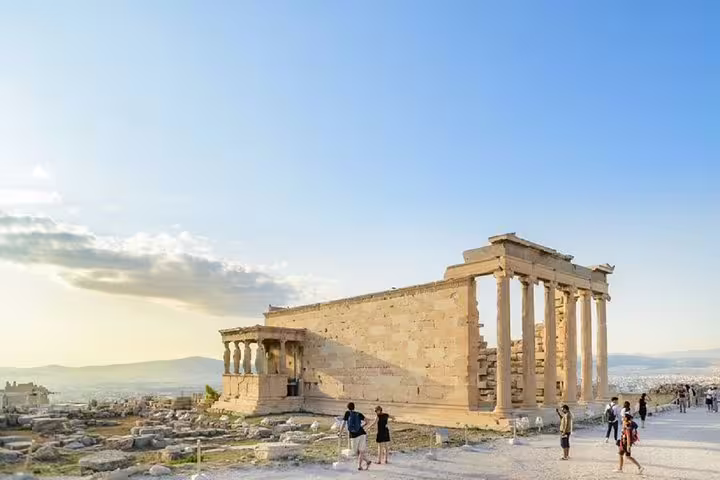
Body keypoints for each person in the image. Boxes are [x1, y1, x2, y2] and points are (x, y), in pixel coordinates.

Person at [339, 402, 371, 471]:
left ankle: (362, 464)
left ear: (348, 407)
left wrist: (340, 433)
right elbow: (368, 421)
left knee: (355, 452)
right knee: (361, 451)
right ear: (354, 407)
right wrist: (362, 426)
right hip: (362, 433)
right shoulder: (358, 414)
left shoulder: (347, 413)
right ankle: (365, 463)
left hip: (353, 435)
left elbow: (343, 423)